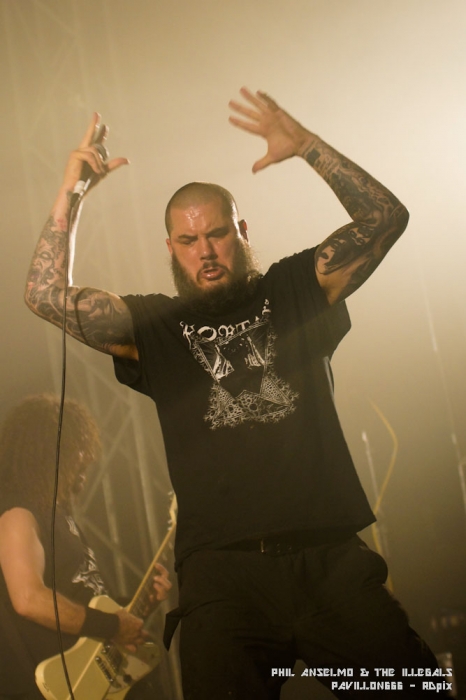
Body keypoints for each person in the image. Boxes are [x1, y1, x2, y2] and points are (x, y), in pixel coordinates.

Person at [24, 89, 447, 699]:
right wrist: (72, 191)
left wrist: (306, 146)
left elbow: (386, 219)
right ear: (171, 248)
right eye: (188, 241)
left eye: (217, 234)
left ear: (241, 231)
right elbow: (44, 294)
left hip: (328, 561)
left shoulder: (295, 288)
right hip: (223, 580)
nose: (206, 252)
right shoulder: (156, 327)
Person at [0, 394, 171, 700]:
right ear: (48, 452)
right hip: (61, 684)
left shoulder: (62, 518)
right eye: (76, 447)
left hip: (96, 675)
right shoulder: (18, 513)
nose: (87, 457)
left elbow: (84, 601)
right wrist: (113, 625)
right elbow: (28, 599)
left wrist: (139, 605)